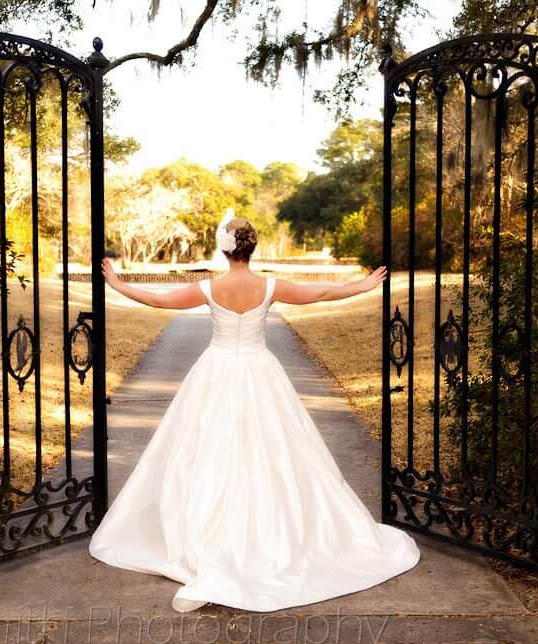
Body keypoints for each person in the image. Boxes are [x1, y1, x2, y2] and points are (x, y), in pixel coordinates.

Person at [89, 216, 420, 613]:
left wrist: (118, 284)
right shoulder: (269, 286)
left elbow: (159, 300)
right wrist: (362, 286)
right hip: (261, 370)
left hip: (216, 371)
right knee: (274, 452)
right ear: (252, 247)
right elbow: (321, 293)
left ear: (225, 249)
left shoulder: (209, 287)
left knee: (207, 453)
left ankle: (206, 536)